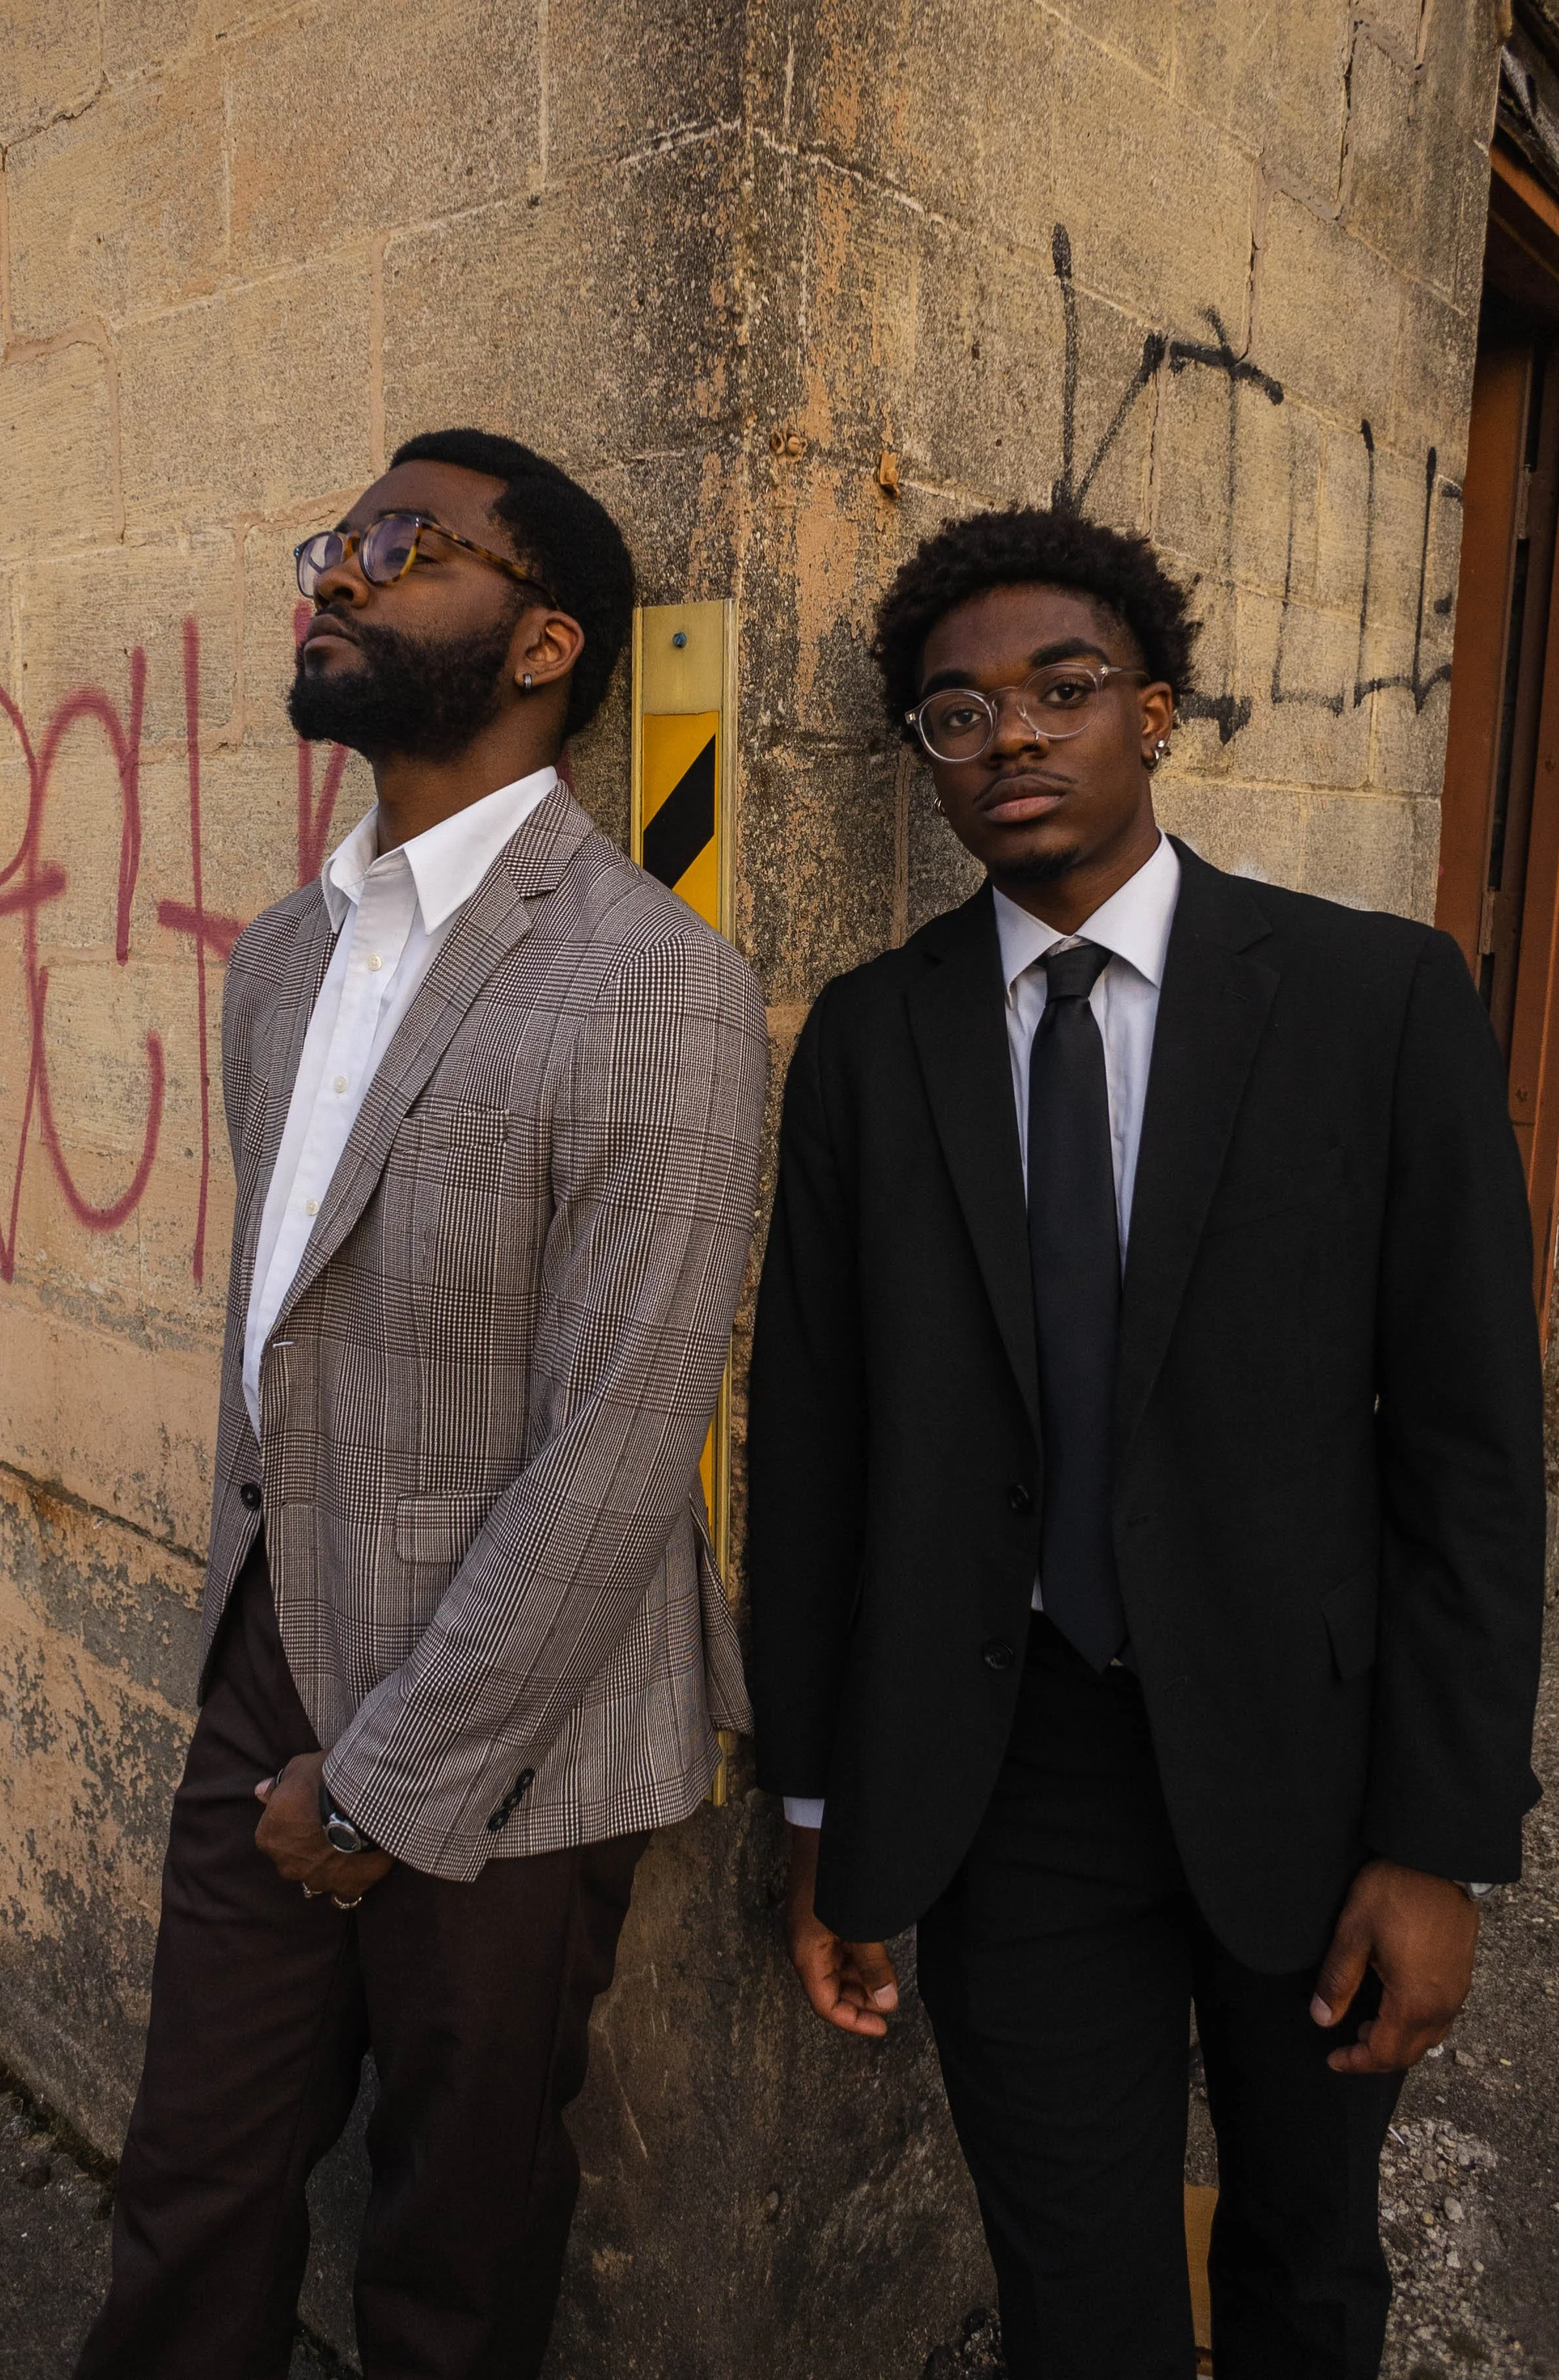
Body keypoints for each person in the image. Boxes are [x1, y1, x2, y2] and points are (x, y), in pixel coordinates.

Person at [747, 503, 1545, 2380]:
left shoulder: (1368, 1001)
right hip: (1009, 1765)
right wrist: (818, 1811)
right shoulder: (872, 1042)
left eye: (1060, 688)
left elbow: (1467, 1452)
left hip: (1308, 1757)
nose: (1008, 735)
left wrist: (1442, 1842)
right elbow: (816, 1445)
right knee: (1075, 2294)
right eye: (953, 714)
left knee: (1304, 2260)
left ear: (1157, 710)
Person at [77, 429, 766, 2380]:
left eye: (401, 545)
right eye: (336, 542)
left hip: (518, 1732)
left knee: (452, 2249)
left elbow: (627, 1439)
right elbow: (287, 1323)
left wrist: (388, 1781)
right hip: (268, 1663)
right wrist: (278, 1708)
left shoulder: (657, 985)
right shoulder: (285, 959)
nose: (343, 575)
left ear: (547, 641)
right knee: (192, 2188)